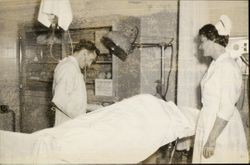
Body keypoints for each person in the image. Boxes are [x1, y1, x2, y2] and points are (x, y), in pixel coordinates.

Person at [192, 15, 249, 163]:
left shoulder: (228, 67)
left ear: (214, 40)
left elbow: (226, 108)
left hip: (220, 129)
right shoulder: (216, 64)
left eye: (202, 41)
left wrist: (211, 140)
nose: (200, 46)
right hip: (210, 121)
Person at [51, 39, 99, 126]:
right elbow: (59, 99)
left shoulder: (71, 66)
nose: (89, 65)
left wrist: (93, 107)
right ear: (84, 53)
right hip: (66, 125)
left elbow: (72, 99)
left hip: (70, 122)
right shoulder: (68, 68)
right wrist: (82, 117)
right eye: (90, 60)